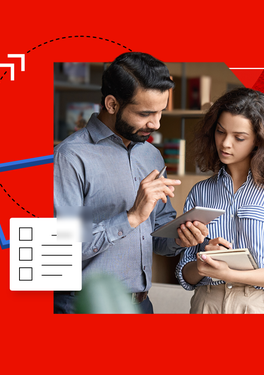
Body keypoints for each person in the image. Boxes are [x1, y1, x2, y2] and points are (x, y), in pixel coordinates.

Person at [53, 52, 209, 314]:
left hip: (141, 304)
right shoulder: (70, 156)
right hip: (83, 306)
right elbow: (59, 251)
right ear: (112, 104)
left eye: (160, 112)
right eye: (146, 113)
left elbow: (158, 235)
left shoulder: (151, 154)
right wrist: (132, 217)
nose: (156, 124)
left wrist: (182, 237)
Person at [175, 88, 264, 314]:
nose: (225, 143)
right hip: (207, 304)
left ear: (259, 140)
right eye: (220, 132)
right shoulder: (200, 192)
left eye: (239, 137)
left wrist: (231, 274)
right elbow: (185, 273)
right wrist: (202, 265)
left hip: (261, 305)